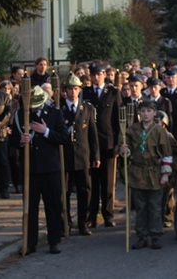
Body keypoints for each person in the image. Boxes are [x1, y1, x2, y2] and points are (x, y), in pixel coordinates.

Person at [11, 86, 69, 255]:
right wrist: (21, 141)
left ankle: (54, 241)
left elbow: (64, 138)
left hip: (50, 168)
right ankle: (30, 242)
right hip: (31, 170)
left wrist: (46, 132)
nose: (34, 108)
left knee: (52, 206)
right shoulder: (20, 114)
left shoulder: (54, 113)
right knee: (30, 208)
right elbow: (13, 139)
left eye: (37, 105)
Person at [122, 99, 173, 250]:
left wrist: (165, 174)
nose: (145, 114)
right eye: (143, 111)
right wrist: (125, 150)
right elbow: (127, 149)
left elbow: (167, 154)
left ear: (154, 113)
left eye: (149, 111)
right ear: (139, 113)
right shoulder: (132, 130)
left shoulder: (160, 131)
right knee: (140, 207)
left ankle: (156, 235)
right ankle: (142, 236)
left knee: (155, 206)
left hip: (155, 173)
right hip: (138, 173)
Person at [60, 74, 100, 236]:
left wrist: (96, 156)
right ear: (65, 91)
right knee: (64, 192)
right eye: (70, 89)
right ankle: (66, 222)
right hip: (65, 157)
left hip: (83, 156)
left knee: (85, 190)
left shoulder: (87, 108)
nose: (73, 92)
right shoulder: (59, 109)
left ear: (80, 90)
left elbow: (93, 134)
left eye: (76, 89)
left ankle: (83, 222)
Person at [83, 62, 121, 228]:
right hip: (90, 143)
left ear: (104, 75)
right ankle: (91, 215)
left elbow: (118, 119)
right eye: (93, 75)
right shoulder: (85, 92)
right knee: (91, 182)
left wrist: (119, 143)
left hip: (108, 143)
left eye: (99, 74)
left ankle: (108, 214)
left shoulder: (113, 92)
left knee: (108, 182)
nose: (96, 77)